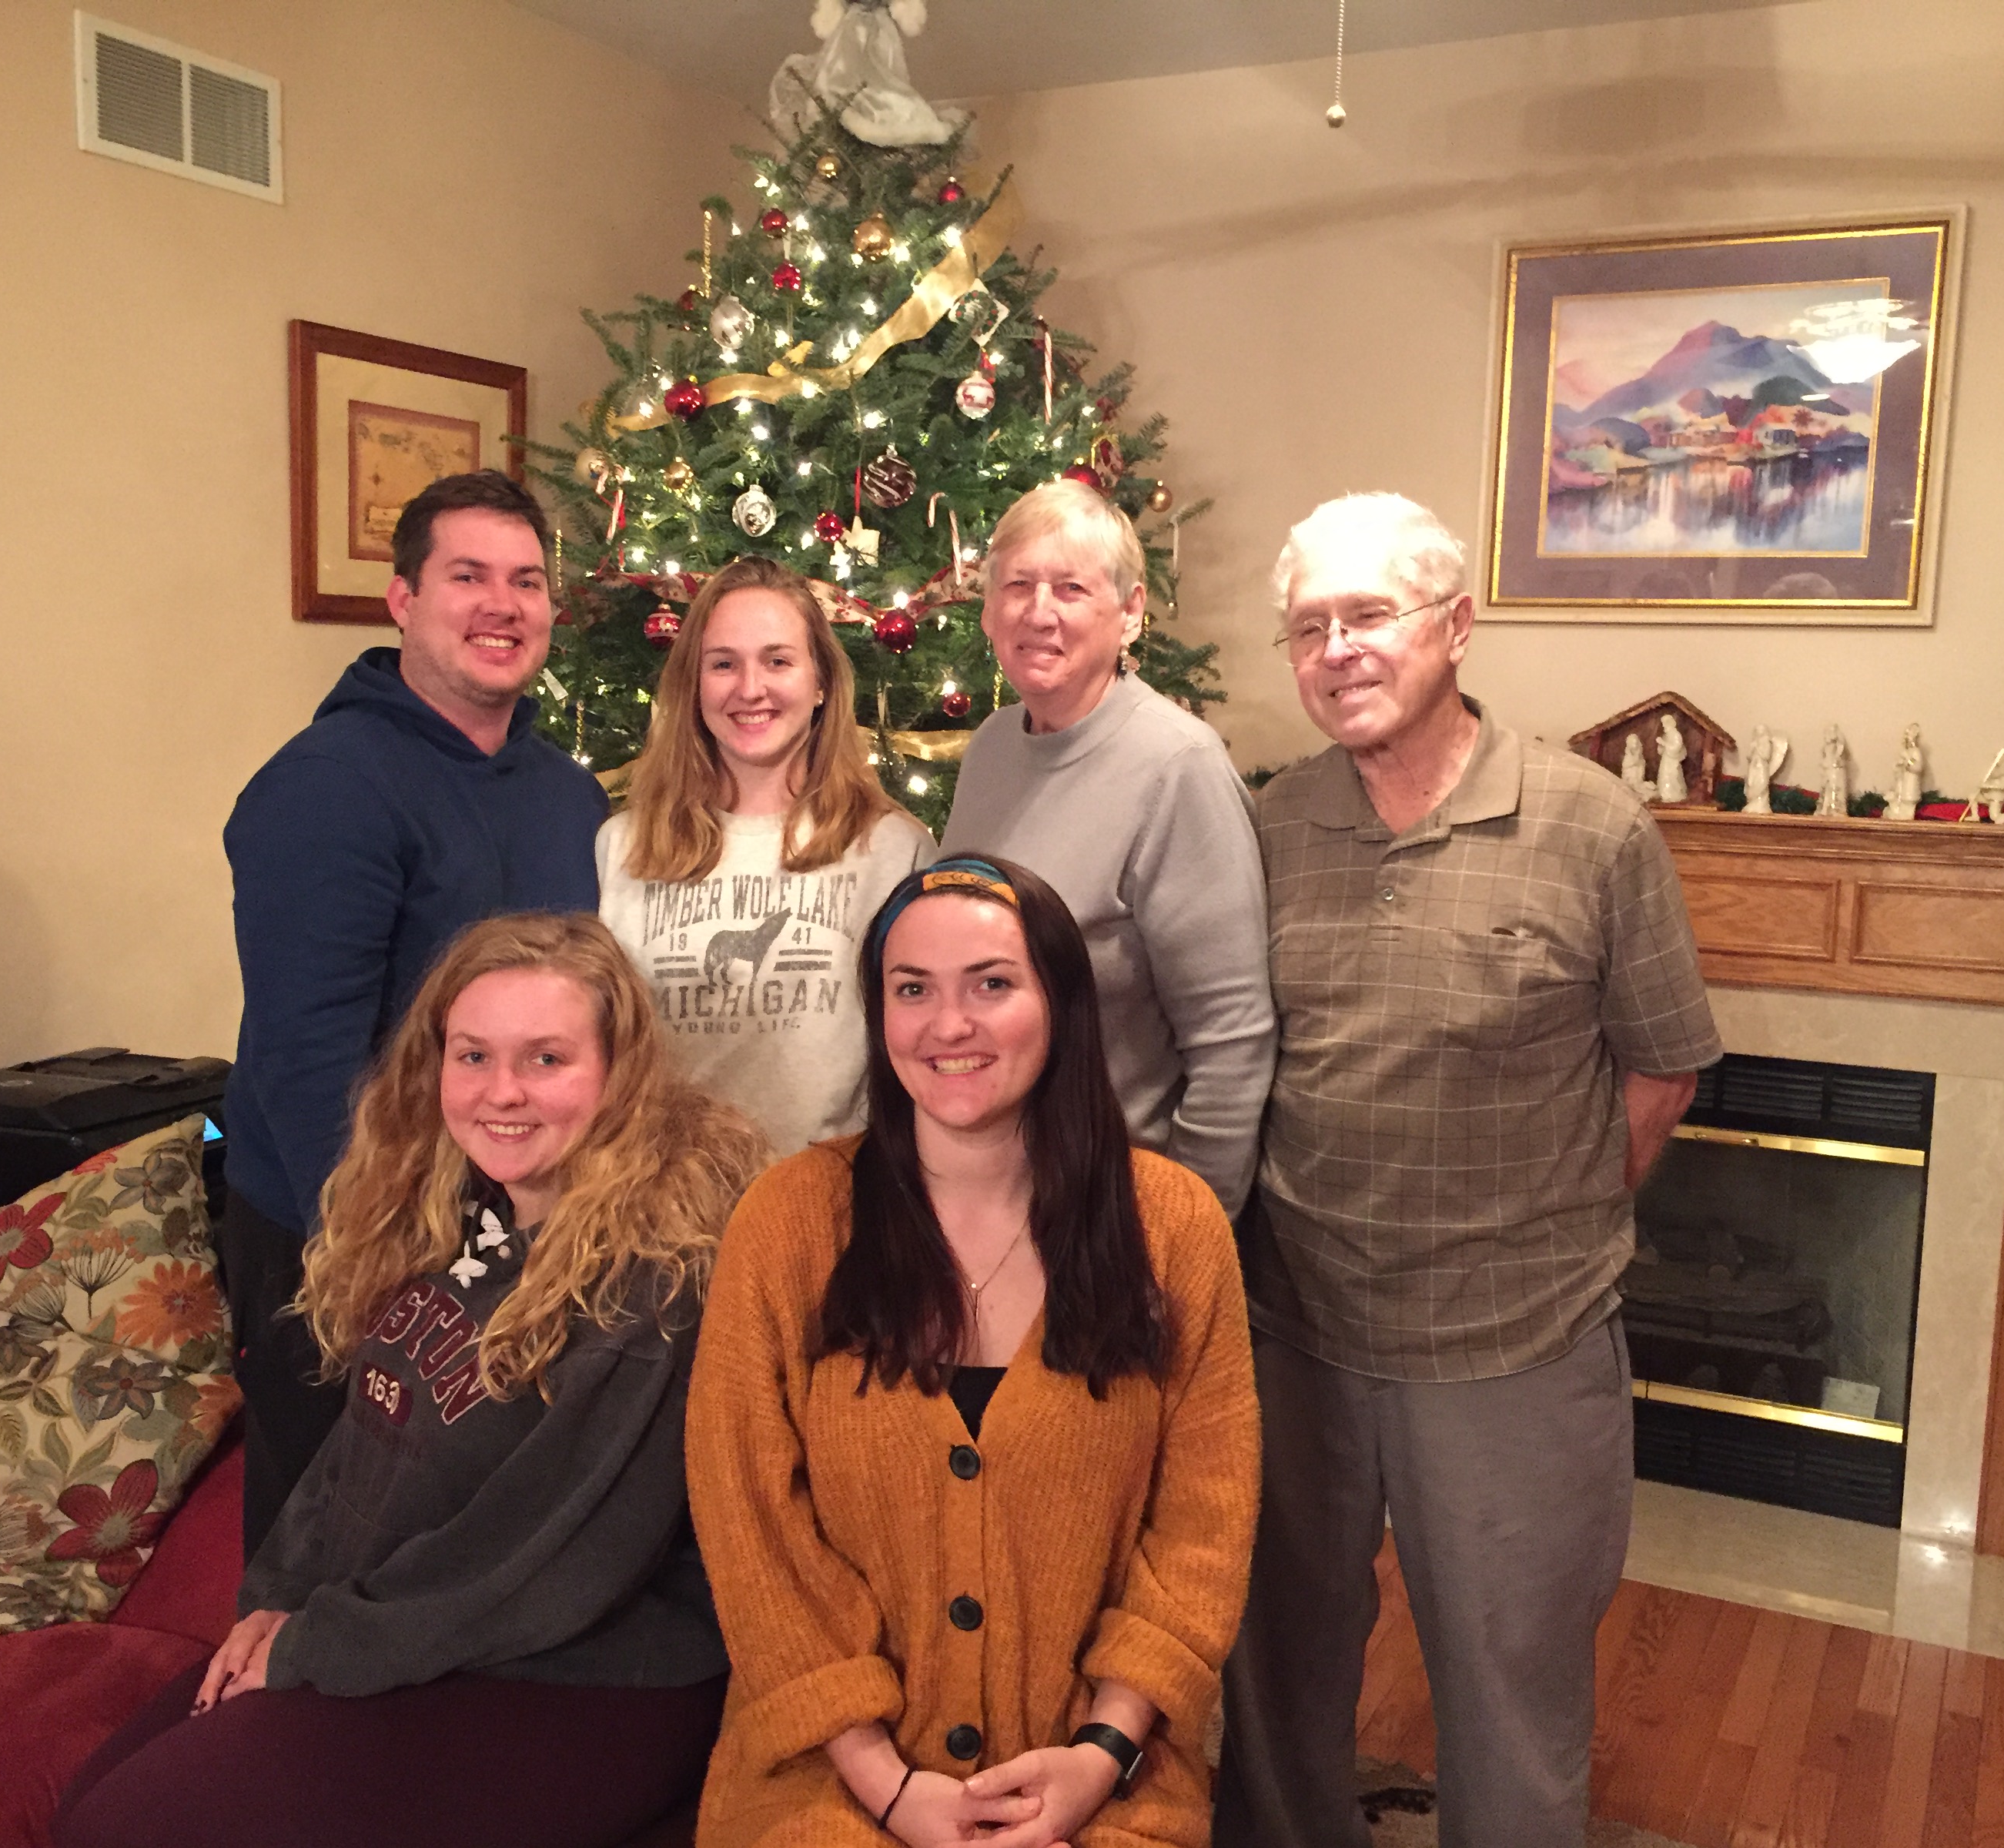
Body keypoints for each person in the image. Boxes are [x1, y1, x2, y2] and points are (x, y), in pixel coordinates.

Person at [1216, 493, 1723, 1848]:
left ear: (1453, 626)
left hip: (1514, 1348)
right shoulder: (1269, 822)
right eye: (1307, 628)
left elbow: (1662, 1069)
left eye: (1367, 615)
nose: (1336, 650)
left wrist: (1543, 1225)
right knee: (1276, 1667)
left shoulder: (1591, 824)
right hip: (1295, 1333)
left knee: (1510, 1694)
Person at [55, 913, 769, 1848]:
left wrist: (320, 1645)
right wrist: (278, 1603)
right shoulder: (460, 1219)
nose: (502, 1091)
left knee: (129, 1837)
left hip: (586, 1672)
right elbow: (359, 1452)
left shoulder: (656, 1280)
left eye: (547, 1058)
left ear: (619, 1074)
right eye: (473, 1055)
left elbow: (544, 1558)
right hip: (422, 1632)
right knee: (87, 1810)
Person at [682, 856, 1260, 1848]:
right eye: (913, 989)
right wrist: (888, 1784)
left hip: (1096, 1789)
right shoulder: (789, 1222)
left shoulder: (1173, 1229)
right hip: (832, 1787)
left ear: (1061, 1003)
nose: (949, 1025)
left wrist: (1103, 1752)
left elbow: (1202, 1534)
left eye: (992, 984)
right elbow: (750, 1527)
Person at [222, 467, 610, 1556]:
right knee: (330, 1538)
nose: (503, 605)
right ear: (403, 600)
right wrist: (383, 1264)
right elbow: (307, 1058)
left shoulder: (571, 796)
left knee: (463, 1540)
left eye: (526, 581)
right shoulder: (326, 787)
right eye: (468, 577)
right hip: (343, 1229)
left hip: (514, 1220)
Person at [941, 480, 1275, 1215]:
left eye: (1071, 588)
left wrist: (1187, 1231)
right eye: (1018, 586)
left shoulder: (1177, 766)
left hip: (1111, 1205)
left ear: (1129, 613)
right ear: (989, 609)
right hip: (988, 1191)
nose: (1039, 612)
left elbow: (1232, 1043)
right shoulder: (992, 748)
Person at [598, 557, 935, 1154]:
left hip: (830, 1190)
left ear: (821, 681)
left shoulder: (893, 849)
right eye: (723, 664)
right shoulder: (621, 846)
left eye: (778, 661)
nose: (750, 688)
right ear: (694, 685)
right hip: (660, 1192)